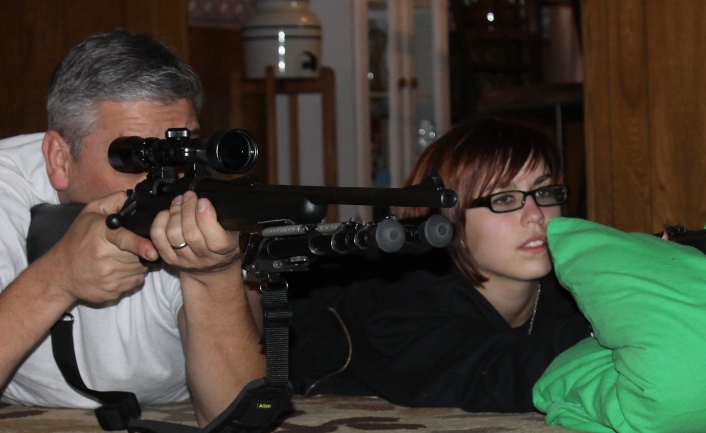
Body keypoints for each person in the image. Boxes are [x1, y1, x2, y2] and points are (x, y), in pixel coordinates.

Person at [0, 29, 264, 426]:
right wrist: (55, 279)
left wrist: (215, 275)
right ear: (59, 158)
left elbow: (237, 417)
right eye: (136, 156)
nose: (167, 178)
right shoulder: (7, 187)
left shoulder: (201, 204)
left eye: (182, 151)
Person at [288, 116, 592, 413]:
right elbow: (494, 378)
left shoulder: (571, 293)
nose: (536, 214)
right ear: (448, 221)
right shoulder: (404, 298)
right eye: (504, 199)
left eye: (544, 191)